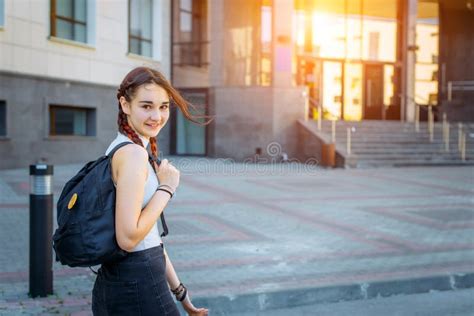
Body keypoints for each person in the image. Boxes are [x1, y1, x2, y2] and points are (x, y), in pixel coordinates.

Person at [92, 66, 209, 315]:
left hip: (126, 281)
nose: (156, 116)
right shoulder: (132, 154)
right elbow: (129, 237)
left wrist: (180, 293)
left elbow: (150, 237)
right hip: (138, 286)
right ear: (125, 105)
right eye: (146, 106)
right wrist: (166, 188)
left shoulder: (126, 148)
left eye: (163, 106)